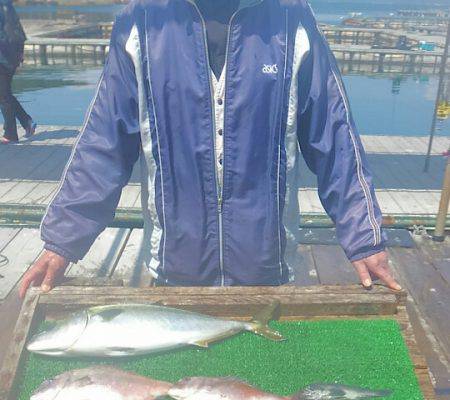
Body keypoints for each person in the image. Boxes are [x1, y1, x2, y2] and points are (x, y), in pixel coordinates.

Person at [20, 0, 400, 295]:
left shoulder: (291, 19)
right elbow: (104, 143)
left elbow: (335, 137)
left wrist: (364, 239)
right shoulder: (142, 21)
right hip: (174, 270)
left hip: (269, 272)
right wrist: (62, 243)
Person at [0, 0, 35, 144]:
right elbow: (20, 33)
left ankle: (11, 134)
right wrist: (20, 53)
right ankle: (27, 122)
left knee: (3, 95)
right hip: (11, 55)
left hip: (4, 56)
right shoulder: (8, 6)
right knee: (4, 93)